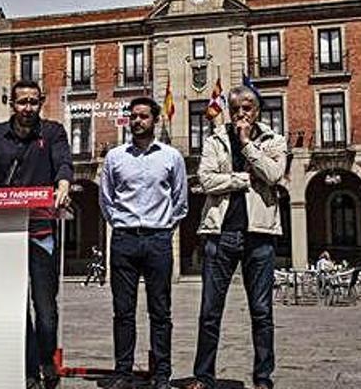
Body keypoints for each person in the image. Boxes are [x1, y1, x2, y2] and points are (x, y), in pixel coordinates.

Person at [187, 86, 288, 389]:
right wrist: (242, 179)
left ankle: (262, 378)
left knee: (261, 311)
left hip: (260, 236)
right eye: (236, 108)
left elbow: (273, 175)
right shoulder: (215, 140)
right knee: (209, 312)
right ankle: (204, 377)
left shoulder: (274, 140)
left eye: (247, 107)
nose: (241, 113)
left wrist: (246, 144)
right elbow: (205, 180)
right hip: (221, 234)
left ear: (257, 111)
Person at [0, 79, 73, 389]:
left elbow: (63, 164)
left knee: (45, 306)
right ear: (12, 104)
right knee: (13, 304)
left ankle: (47, 361)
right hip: (4, 233)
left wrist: (63, 184)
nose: (27, 108)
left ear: (41, 102)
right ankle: (28, 367)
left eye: (33, 102)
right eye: (22, 102)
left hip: (42, 230)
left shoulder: (53, 132)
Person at [99, 97, 188, 389]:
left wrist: (162, 227)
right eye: (133, 116)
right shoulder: (114, 157)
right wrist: (121, 223)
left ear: (155, 120)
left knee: (160, 312)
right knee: (123, 311)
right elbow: (106, 200)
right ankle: (123, 371)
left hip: (158, 240)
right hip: (123, 240)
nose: (137, 121)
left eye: (143, 117)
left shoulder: (171, 157)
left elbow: (180, 201)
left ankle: (162, 374)